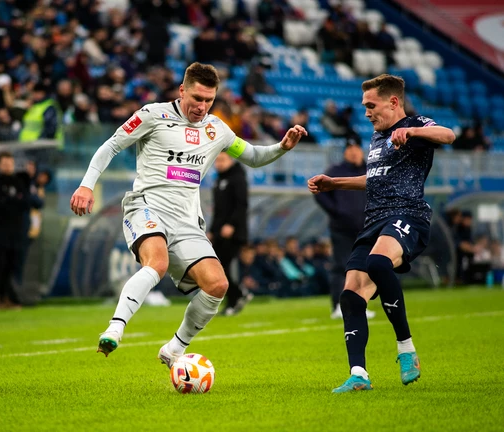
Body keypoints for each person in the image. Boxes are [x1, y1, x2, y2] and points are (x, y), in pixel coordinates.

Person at [70, 62, 307, 365]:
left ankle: (174, 349)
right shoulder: (152, 115)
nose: (202, 106)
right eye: (197, 98)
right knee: (157, 263)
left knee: (218, 285)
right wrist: (86, 185)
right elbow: (111, 146)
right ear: (182, 90)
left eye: (209, 100)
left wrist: (282, 147)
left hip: (186, 220)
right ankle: (115, 328)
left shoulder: (217, 129)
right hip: (147, 206)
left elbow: (253, 156)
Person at [308, 74, 456, 392]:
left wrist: (413, 131)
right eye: (365, 106)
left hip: (407, 215)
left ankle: (406, 348)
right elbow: (375, 177)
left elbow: (448, 135)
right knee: (350, 295)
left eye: (371, 105)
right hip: (373, 221)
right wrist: (335, 183)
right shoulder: (377, 138)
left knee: (377, 262)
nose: (366, 113)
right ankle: (358, 374)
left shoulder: (415, 124)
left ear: (393, 101)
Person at [314, 138, 375, 319]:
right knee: (342, 266)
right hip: (341, 228)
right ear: (345, 152)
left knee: (363, 267)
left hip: (366, 228)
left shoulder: (370, 169)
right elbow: (319, 193)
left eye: (356, 148)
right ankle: (338, 305)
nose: (354, 152)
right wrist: (337, 211)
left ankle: (359, 303)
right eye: (350, 149)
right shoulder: (335, 171)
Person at [0, 152, 29, 309]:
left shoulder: (18, 182)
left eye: (10, 164)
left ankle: (6, 297)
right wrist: (14, 201)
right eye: (5, 164)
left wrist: (9, 201)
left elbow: (25, 202)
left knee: (10, 266)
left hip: (15, 232)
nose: (8, 167)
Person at [208, 152, 251, 316]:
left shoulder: (238, 178)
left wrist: (231, 224)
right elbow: (218, 210)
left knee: (221, 266)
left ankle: (236, 296)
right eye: (217, 160)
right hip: (219, 232)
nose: (218, 163)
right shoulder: (218, 180)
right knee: (218, 267)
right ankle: (237, 296)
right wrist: (212, 230)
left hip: (233, 233)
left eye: (222, 160)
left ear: (231, 160)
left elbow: (241, 205)